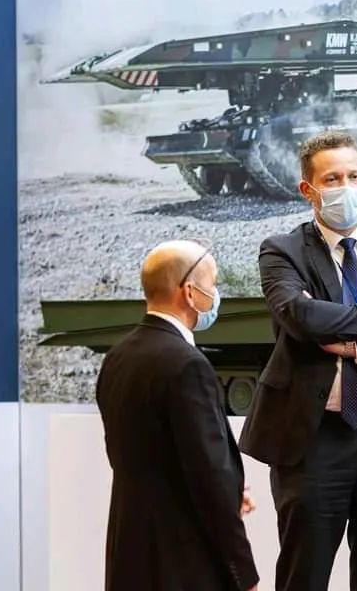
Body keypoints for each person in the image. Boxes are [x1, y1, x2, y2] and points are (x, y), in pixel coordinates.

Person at [238, 130, 357, 591]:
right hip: (312, 439)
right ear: (308, 190)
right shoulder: (282, 251)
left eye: (353, 176)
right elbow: (300, 316)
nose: (346, 187)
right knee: (304, 574)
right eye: (332, 179)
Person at [96, 240, 259, 591]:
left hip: (129, 553)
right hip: (183, 561)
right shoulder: (187, 365)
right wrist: (244, 574)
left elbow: (139, 456)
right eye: (213, 283)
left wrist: (230, 490)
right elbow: (208, 473)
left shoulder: (118, 357)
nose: (215, 293)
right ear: (189, 292)